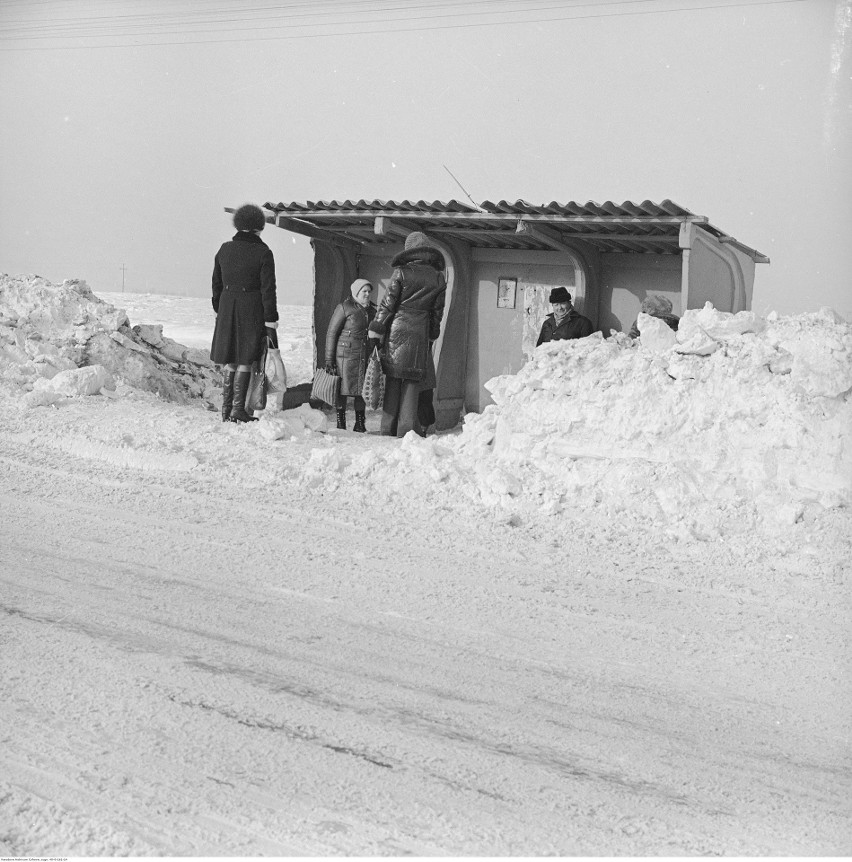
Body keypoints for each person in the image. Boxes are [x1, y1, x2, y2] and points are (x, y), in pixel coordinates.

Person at [368, 232, 446, 438]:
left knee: (393, 380)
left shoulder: (401, 272)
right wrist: (431, 334)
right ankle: (407, 431)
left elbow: (387, 305)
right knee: (412, 383)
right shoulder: (438, 277)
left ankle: (388, 428)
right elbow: (437, 313)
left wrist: (377, 329)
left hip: (396, 331)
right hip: (420, 334)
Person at [210, 203, 279, 423]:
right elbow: (268, 289)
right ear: (260, 227)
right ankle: (238, 410)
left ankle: (226, 409)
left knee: (230, 359)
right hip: (251, 307)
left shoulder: (224, 249)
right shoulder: (263, 252)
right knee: (245, 359)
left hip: (227, 305)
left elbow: (216, 284)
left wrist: (219, 308)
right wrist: (271, 318)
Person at [324, 278, 377, 432]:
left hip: (364, 355)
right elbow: (331, 333)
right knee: (342, 389)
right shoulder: (344, 307)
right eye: (364, 291)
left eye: (369, 292)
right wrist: (329, 359)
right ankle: (341, 422)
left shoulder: (373, 311)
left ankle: (360, 423)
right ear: (356, 293)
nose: (367, 294)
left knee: (361, 389)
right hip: (345, 356)